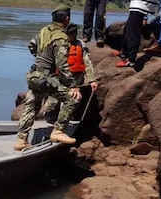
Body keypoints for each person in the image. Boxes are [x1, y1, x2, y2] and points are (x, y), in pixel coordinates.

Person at [15, 5, 82, 151]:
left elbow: (31, 45)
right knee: (73, 98)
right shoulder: (61, 37)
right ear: (67, 18)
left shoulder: (44, 31)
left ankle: (21, 140)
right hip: (46, 77)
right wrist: (73, 85)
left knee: (32, 105)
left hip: (34, 75)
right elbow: (62, 65)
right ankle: (58, 131)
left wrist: (41, 58)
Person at [43, 22, 99, 118]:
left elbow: (87, 63)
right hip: (59, 78)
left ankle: (63, 121)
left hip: (75, 78)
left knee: (73, 100)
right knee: (51, 104)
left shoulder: (81, 45)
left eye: (69, 34)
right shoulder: (59, 43)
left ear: (74, 34)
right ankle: (47, 117)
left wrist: (92, 80)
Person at [116, 0, 158, 67]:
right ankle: (124, 52)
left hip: (140, 5)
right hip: (138, 5)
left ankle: (131, 60)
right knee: (128, 28)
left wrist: (145, 17)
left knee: (133, 32)